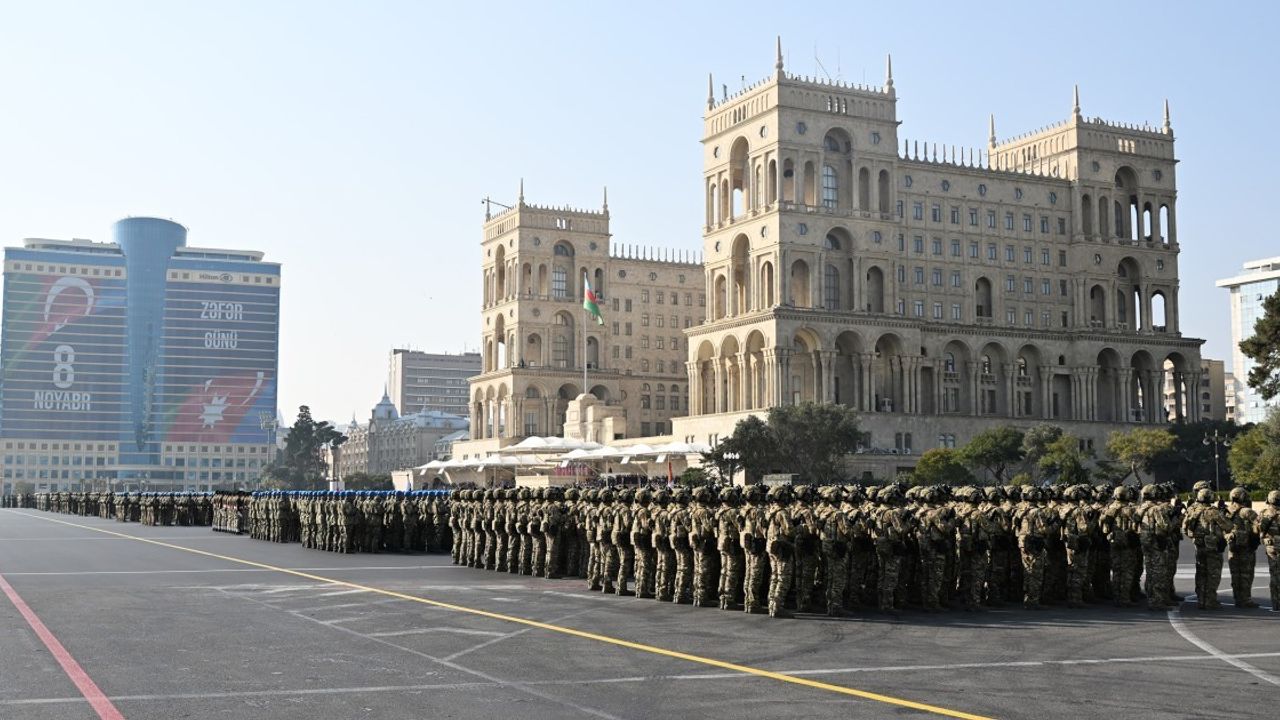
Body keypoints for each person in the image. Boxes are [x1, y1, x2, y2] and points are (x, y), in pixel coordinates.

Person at [1182, 487, 1232, 609]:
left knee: (1201, 573)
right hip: (1212, 547)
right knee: (1213, 574)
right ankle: (1210, 601)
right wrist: (1223, 512)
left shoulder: (1192, 509)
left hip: (1199, 545)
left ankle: (1201, 600)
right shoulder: (1212, 511)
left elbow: (1185, 528)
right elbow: (1228, 526)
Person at [1225, 486, 1261, 609]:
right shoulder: (1246, 511)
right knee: (1246, 574)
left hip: (1232, 547)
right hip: (1246, 548)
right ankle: (1245, 599)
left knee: (1235, 574)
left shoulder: (1227, 511)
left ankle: (1237, 598)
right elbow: (1259, 524)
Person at [1258, 491, 1280, 612]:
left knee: (1274, 574)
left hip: (1270, 547)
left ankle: (1275, 604)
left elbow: (1257, 529)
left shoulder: (1263, 513)